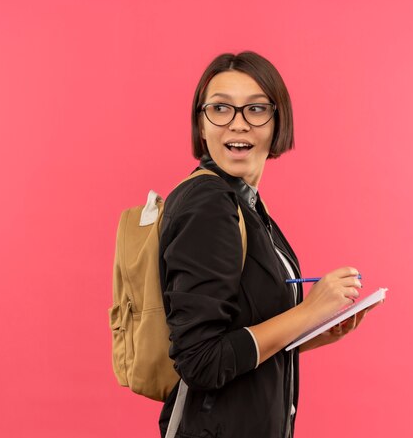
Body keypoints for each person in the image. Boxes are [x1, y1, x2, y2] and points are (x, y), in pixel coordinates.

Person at [158, 51, 375, 438]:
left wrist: (312, 332)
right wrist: (308, 313)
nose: (237, 125)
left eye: (256, 109)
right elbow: (201, 362)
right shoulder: (210, 204)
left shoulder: (245, 204)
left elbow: (236, 344)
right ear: (201, 124)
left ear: (277, 122)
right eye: (221, 108)